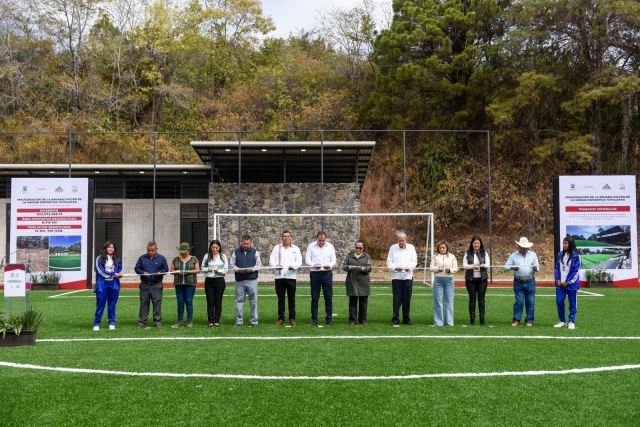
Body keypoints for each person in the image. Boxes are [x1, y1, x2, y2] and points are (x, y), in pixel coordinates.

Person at [269, 230, 302, 326]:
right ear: (282, 238)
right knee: (281, 299)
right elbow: (271, 260)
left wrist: (294, 266)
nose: (286, 238)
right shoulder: (276, 248)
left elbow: (299, 261)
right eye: (284, 236)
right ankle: (281, 318)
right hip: (279, 277)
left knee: (291, 299)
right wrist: (276, 266)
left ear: (291, 238)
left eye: (288, 236)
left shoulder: (296, 249)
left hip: (291, 277)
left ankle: (292, 318)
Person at [505, 237, 540, 327]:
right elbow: (506, 267)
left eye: (524, 247)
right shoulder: (513, 256)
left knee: (530, 301)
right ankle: (516, 320)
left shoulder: (533, 255)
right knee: (519, 301)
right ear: (518, 246)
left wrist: (535, 268)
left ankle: (529, 320)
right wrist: (512, 267)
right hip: (518, 280)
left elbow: (538, 267)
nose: (522, 249)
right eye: (521, 247)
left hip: (530, 280)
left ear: (527, 247)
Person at [134, 241, 169, 328]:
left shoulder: (161, 258)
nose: (150, 252)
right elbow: (137, 268)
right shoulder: (142, 258)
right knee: (144, 303)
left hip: (156, 284)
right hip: (145, 284)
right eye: (149, 250)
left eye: (152, 250)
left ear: (156, 249)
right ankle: (142, 322)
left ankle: (157, 321)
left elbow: (166, 268)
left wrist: (160, 272)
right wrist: (142, 272)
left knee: (157, 303)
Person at [305, 231, 337, 326]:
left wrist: (330, 265)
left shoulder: (330, 246)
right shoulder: (311, 246)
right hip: (315, 273)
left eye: (323, 240)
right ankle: (314, 319)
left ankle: (329, 318)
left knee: (328, 297)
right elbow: (307, 260)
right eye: (320, 240)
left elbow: (334, 260)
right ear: (317, 238)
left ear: (325, 239)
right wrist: (314, 265)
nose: (321, 242)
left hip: (327, 273)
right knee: (315, 297)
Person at [387, 231, 418, 327]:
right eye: (399, 240)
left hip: (408, 276)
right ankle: (395, 318)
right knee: (396, 298)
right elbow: (389, 261)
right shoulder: (393, 248)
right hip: (396, 277)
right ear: (397, 240)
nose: (401, 242)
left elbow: (414, 261)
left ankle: (406, 318)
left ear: (406, 240)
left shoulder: (411, 248)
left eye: (403, 241)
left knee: (406, 299)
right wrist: (395, 267)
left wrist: (410, 267)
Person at [230, 235, 262, 326]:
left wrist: (252, 269)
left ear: (250, 243)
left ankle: (254, 321)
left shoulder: (255, 252)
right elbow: (232, 265)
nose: (246, 245)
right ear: (241, 242)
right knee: (239, 301)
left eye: (248, 244)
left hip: (252, 280)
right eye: (244, 243)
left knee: (253, 301)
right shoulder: (235, 252)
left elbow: (259, 265)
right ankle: (239, 321)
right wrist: (237, 270)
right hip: (240, 280)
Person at [93, 241, 123, 331]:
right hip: (102, 285)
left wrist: (119, 274)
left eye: (112, 247)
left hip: (114, 284)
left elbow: (120, 269)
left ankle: (112, 322)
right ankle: (97, 323)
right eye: (109, 247)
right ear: (105, 248)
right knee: (100, 304)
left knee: (112, 304)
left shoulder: (117, 259)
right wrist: (114, 274)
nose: (111, 249)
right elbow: (100, 271)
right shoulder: (99, 258)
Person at [169, 242, 200, 328]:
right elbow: (171, 270)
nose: (184, 253)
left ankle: (189, 321)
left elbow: (197, 270)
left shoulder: (194, 259)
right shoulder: (176, 259)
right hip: (179, 283)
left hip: (190, 283)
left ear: (188, 251)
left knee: (189, 301)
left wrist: (189, 272)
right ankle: (180, 321)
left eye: (185, 251)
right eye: (182, 252)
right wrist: (176, 272)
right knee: (180, 302)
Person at [342, 240, 372, 325]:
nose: (358, 249)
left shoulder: (367, 256)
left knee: (363, 302)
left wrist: (361, 268)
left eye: (360, 248)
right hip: (352, 281)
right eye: (356, 247)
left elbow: (369, 268)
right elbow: (344, 267)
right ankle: (352, 320)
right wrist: (349, 267)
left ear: (363, 248)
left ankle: (363, 319)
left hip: (363, 282)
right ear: (354, 247)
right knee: (352, 302)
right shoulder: (349, 256)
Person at [554, 236, 581, 330]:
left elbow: (576, 270)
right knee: (559, 302)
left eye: (566, 243)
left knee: (572, 304)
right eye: (563, 243)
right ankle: (562, 321)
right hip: (560, 284)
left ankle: (571, 321)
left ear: (570, 244)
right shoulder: (560, 254)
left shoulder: (576, 256)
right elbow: (557, 267)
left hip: (571, 285)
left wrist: (568, 281)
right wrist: (557, 279)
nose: (564, 245)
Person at [462, 236, 490, 326]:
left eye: (478, 243)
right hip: (470, 279)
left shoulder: (484, 253)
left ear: (480, 244)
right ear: (472, 244)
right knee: (472, 300)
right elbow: (464, 266)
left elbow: (488, 265)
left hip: (482, 279)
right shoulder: (467, 253)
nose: (476, 245)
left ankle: (482, 320)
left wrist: (483, 265)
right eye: (475, 243)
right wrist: (472, 266)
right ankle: (472, 320)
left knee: (481, 300)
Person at [430, 240, 458, 326]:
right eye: (440, 248)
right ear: (438, 248)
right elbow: (431, 268)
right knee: (438, 301)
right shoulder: (434, 257)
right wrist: (438, 269)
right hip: (438, 280)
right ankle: (438, 322)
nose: (442, 249)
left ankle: (449, 322)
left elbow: (456, 268)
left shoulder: (452, 257)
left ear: (447, 248)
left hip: (449, 280)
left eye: (443, 248)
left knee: (449, 301)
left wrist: (449, 270)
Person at [201, 239, 228, 327]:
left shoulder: (223, 257)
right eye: (213, 248)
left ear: (219, 247)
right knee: (210, 301)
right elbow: (202, 267)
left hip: (219, 280)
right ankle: (210, 321)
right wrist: (207, 269)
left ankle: (217, 320)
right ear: (210, 248)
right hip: (209, 280)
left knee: (218, 301)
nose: (215, 249)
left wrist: (218, 271)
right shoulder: (207, 256)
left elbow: (225, 269)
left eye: (216, 247)